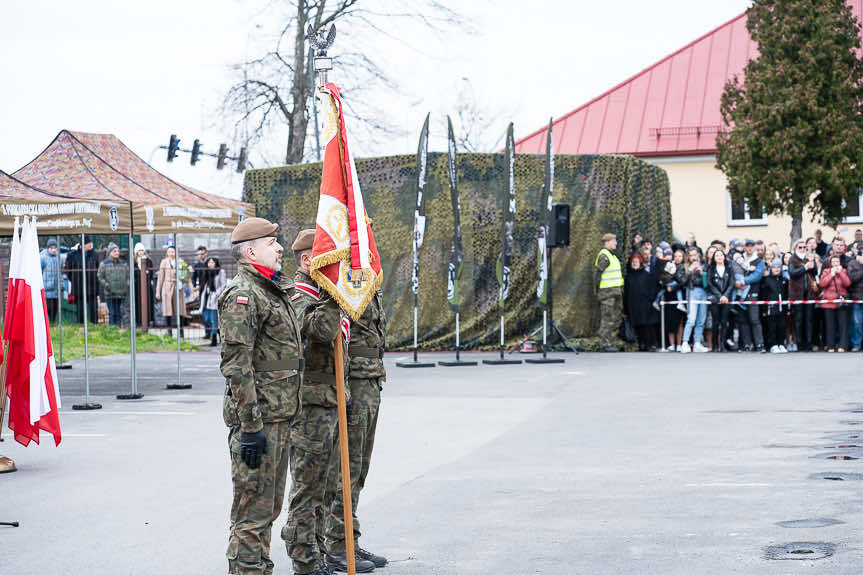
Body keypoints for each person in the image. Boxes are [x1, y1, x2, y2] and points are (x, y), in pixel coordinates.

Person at [283, 230, 375, 575]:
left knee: (326, 486)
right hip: (310, 406)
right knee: (308, 488)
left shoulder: (321, 295)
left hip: (331, 401)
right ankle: (304, 558)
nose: (337, 268)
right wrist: (334, 295)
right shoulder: (298, 296)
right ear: (310, 261)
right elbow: (322, 332)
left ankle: (320, 551)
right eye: (330, 261)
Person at [220, 217, 305, 575]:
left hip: (280, 416)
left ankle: (260, 568)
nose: (280, 248)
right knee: (252, 512)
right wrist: (252, 427)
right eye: (272, 244)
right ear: (251, 251)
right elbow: (237, 366)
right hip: (260, 422)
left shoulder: (271, 290)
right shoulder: (243, 295)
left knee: (268, 508)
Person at [324, 278, 389, 573]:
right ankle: (338, 546)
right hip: (357, 382)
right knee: (346, 470)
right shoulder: (344, 279)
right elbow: (342, 338)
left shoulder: (366, 278)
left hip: (371, 380)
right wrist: (345, 388)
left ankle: (350, 539)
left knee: (359, 468)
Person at [734, 239, 766, 352]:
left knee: (754, 320)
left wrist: (742, 281)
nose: (749, 248)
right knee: (742, 321)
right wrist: (736, 281)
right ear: (744, 247)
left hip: (753, 293)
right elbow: (734, 272)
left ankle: (760, 345)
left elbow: (757, 276)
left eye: (752, 246)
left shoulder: (759, 261)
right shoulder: (739, 259)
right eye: (747, 246)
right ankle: (746, 345)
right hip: (740, 294)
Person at [594, 233, 624, 352]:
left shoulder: (612, 256)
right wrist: (596, 290)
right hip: (607, 294)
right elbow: (597, 275)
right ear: (607, 242)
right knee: (607, 318)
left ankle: (610, 342)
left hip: (615, 293)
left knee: (614, 318)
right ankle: (604, 344)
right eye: (614, 241)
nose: (616, 243)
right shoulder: (604, 256)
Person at [788, 240, 819, 352]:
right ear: (796, 248)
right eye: (800, 247)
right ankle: (800, 344)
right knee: (798, 320)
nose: (802, 249)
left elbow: (815, 273)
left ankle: (809, 344)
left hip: (809, 294)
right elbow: (792, 273)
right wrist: (805, 267)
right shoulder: (792, 259)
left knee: (809, 320)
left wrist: (813, 264)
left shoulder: (809, 257)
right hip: (797, 294)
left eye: (804, 247)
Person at [623, 254, 658, 351]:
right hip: (633, 305)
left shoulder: (646, 275)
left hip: (645, 305)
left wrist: (650, 300)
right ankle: (640, 344)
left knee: (646, 326)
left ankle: (649, 345)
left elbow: (653, 289)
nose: (634, 264)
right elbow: (626, 293)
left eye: (636, 262)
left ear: (640, 263)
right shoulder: (628, 277)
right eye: (633, 262)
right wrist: (625, 309)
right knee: (637, 325)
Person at [818, 254, 851, 352]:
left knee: (843, 325)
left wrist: (840, 273)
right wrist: (831, 274)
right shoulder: (826, 271)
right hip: (829, 301)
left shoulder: (844, 271)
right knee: (830, 325)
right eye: (833, 262)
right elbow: (822, 284)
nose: (835, 264)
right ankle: (830, 345)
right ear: (830, 263)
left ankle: (842, 345)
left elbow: (847, 283)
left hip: (841, 302)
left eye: (837, 261)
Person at [64, 235, 99, 324]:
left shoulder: (94, 254)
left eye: (91, 243)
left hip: (92, 286)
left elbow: (98, 268)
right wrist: (74, 280)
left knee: (93, 308)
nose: (91, 245)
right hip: (79, 286)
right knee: (80, 308)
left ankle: (94, 324)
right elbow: (68, 269)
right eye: (89, 243)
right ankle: (80, 324)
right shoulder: (74, 254)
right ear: (83, 244)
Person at [679, 248, 708, 353]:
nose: (693, 257)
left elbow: (709, 282)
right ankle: (685, 342)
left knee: (701, 320)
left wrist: (702, 273)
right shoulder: (685, 267)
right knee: (691, 318)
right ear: (688, 257)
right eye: (691, 255)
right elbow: (682, 281)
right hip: (692, 291)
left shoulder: (705, 266)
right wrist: (690, 270)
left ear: (699, 255)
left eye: (695, 255)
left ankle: (697, 343)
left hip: (703, 292)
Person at [156, 245, 188, 337]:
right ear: (167, 253)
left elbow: (185, 275)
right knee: (167, 309)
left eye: (173, 252)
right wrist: (158, 291)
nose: (171, 253)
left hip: (178, 286)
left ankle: (181, 332)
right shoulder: (164, 262)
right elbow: (160, 277)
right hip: (167, 286)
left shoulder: (181, 261)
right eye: (169, 251)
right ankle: (169, 331)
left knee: (180, 309)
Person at [706, 248, 733, 352]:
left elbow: (731, 284)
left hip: (726, 299)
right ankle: (715, 345)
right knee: (715, 322)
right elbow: (710, 283)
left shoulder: (729, 268)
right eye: (717, 255)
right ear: (714, 258)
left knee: (724, 322)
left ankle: (723, 345)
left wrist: (725, 296)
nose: (719, 257)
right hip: (715, 299)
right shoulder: (711, 268)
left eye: (721, 255)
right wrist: (719, 296)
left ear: (724, 257)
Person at [97, 242, 129, 327]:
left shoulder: (123, 263)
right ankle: (112, 330)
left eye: (118, 251)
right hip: (110, 293)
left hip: (121, 293)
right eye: (115, 251)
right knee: (112, 312)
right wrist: (107, 285)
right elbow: (100, 276)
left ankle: (118, 329)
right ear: (110, 253)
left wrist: (126, 285)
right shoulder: (104, 264)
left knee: (119, 312)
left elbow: (128, 276)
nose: (117, 253)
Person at [760, 258, 789, 353]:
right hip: (770, 308)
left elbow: (786, 294)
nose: (776, 269)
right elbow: (763, 295)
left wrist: (788, 308)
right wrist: (764, 310)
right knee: (772, 327)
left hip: (782, 308)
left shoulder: (784, 280)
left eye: (778, 267)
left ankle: (781, 344)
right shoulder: (767, 280)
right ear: (771, 269)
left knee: (782, 326)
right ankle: (773, 344)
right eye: (774, 267)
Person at [200, 257, 226, 346]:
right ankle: (218, 331)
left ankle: (214, 339)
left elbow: (223, 285)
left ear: (216, 263)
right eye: (209, 262)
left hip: (216, 298)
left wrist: (216, 294)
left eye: (212, 262)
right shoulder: (207, 272)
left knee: (214, 319)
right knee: (207, 319)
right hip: (208, 298)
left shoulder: (221, 272)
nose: (210, 264)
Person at [133, 243, 155, 328]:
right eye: (139, 251)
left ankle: (149, 321)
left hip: (147, 286)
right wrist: (142, 273)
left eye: (142, 250)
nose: (141, 252)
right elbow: (133, 274)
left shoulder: (148, 261)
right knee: (138, 303)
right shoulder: (134, 261)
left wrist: (146, 273)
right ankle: (139, 322)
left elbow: (151, 273)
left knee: (148, 302)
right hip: (137, 286)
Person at [40, 239, 61, 322]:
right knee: (48, 307)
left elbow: (60, 272)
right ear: (48, 248)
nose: (53, 250)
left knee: (55, 308)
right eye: (51, 248)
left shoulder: (58, 258)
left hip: (56, 288)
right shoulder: (42, 257)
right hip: (47, 288)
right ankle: (47, 323)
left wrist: (61, 284)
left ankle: (52, 323)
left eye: (55, 248)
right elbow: (39, 272)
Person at [847, 243, 863, 351]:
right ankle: (856, 344)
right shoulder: (852, 263)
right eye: (860, 250)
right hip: (857, 297)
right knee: (857, 322)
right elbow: (852, 278)